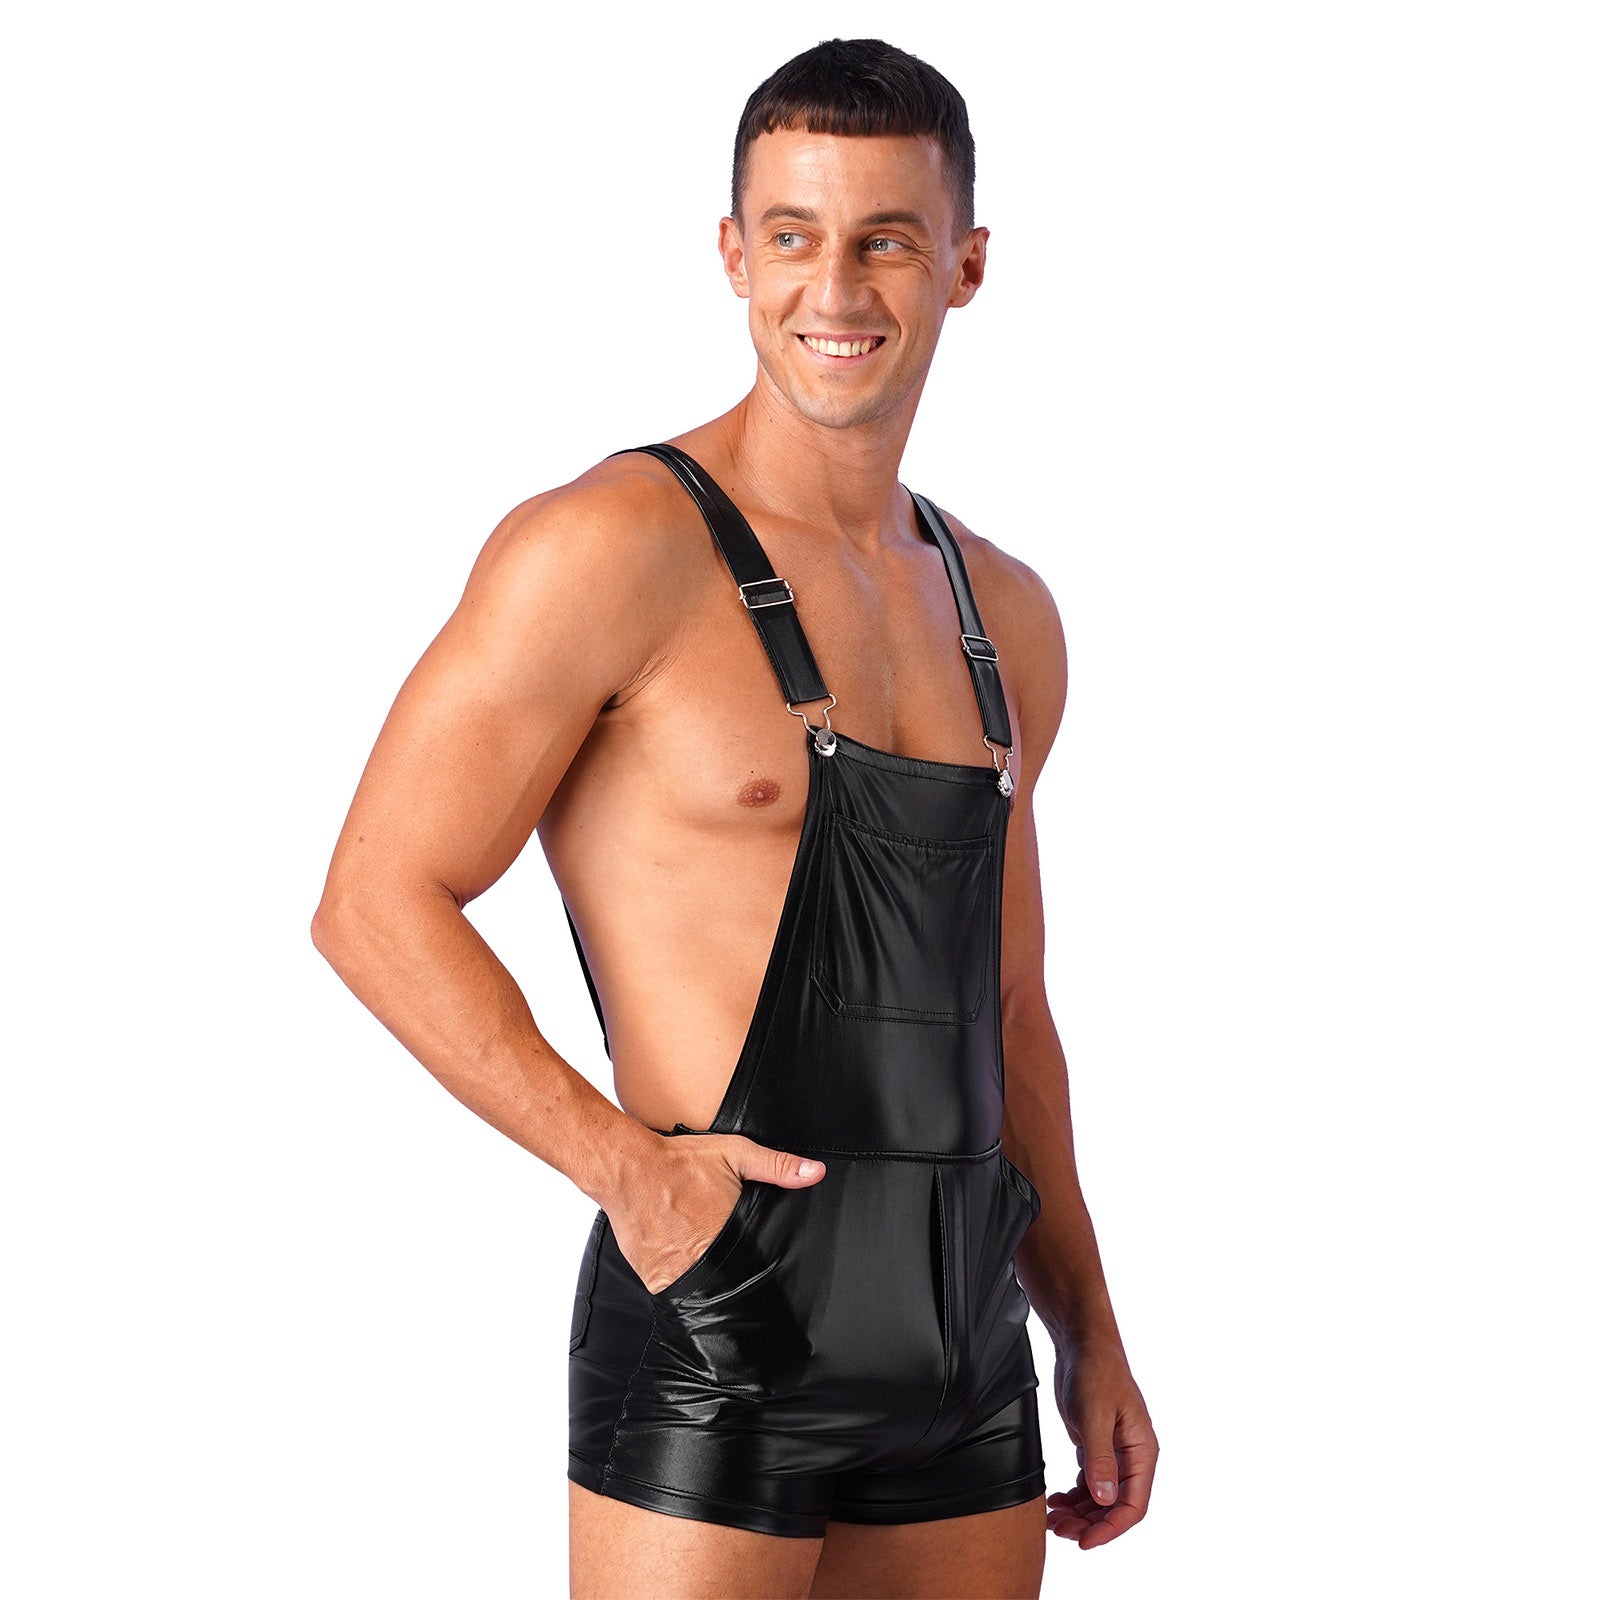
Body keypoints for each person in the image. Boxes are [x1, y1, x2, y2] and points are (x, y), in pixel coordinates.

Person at [311, 36, 1156, 1600]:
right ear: (733, 254)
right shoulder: (609, 548)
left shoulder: (1006, 613)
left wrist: (1087, 1326)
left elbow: (1008, 1007)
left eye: (885, 241)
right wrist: (630, 1173)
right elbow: (374, 901)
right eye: (793, 236)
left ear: (966, 265)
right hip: (722, 1308)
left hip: (965, 1336)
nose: (835, 288)